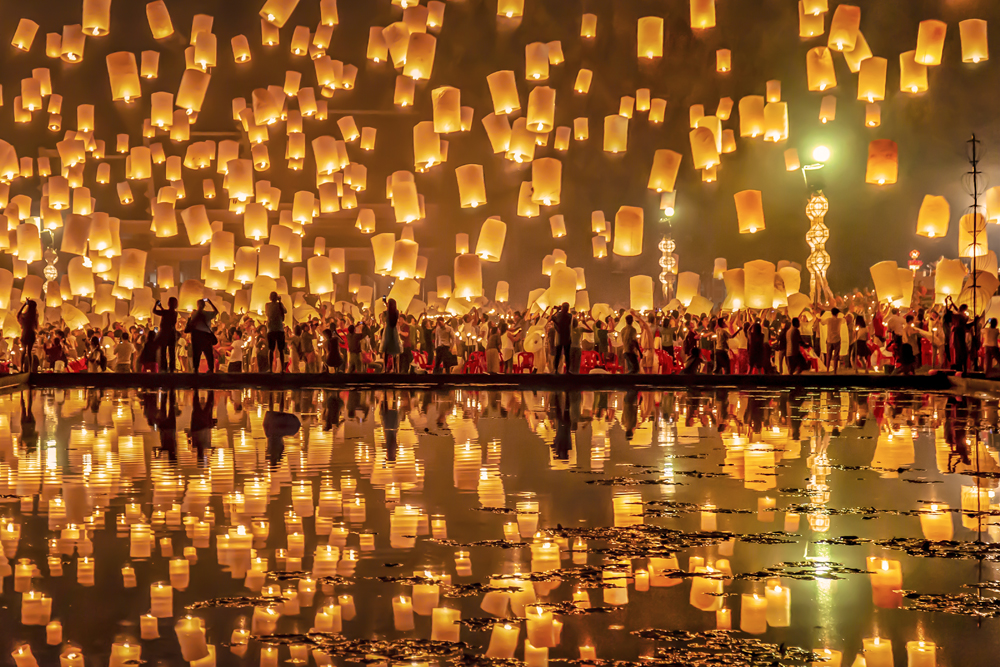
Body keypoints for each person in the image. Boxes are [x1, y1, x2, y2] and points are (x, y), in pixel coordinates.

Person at [187, 298, 218, 373]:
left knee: (196, 353)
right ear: (204, 305)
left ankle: (196, 369)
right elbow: (216, 311)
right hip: (205, 335)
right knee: (208, 353)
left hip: (196, 335)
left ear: (197, 305)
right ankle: (210, 369)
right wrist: (210, 303)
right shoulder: (207, 314)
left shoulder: (194, 313)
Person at [153, 297, 178, 372]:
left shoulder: (166, 312)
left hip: (164, 334)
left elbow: (154, 311)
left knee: (163, 352)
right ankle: (172, 368)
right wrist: (161, 307)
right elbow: (166, 313)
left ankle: (163, 368)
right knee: (172, 352)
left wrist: (156, 305)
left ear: (168, 303)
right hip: (171, 333)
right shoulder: (175, 313)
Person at [265, 292, 287, 372]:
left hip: (271, 329)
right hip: (279, 329)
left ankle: (270, 369)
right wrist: (280, 302)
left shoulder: (267, 305)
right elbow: (285, 311)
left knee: (271, 349)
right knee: (280, 350)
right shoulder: (279, 305)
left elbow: (267, 314)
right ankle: (283, 369)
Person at [17, 299, 38, 373]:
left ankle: (22, 369)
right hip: (31, 334)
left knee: (23, 351)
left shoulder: (25, 316)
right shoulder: (34, 316)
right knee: (29, 352)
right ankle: (31, 369)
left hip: (25, 333)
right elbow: (36, 326)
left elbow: (18, 314)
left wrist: (25, 304)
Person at [381, 298, 402, 372]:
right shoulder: (396, 312)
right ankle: (395, 368)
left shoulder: (386, 313)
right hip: (394, 330)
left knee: (386, 350)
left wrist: (385, 303)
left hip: (388, 331)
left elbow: (383, 320)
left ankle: (385, 368)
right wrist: (386, 303)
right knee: (394, 350)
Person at [551, 303, 573, 374]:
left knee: (558, 354)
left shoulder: (559, 315)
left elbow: (554, 318)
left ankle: (556, 370)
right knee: (567, 355)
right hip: (567, 337)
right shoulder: (570, 315)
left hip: (560, 337)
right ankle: (567, 370)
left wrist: (557, 311)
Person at [825, 308, 843, 373]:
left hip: (829, 340)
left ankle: (827, 370)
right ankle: (835, 371)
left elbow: (822, 322)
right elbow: (845, 320)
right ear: (837, 314)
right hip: (837, 340)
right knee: (836, 356)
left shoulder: (828, 320)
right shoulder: (840, 320)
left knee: (828, 356)